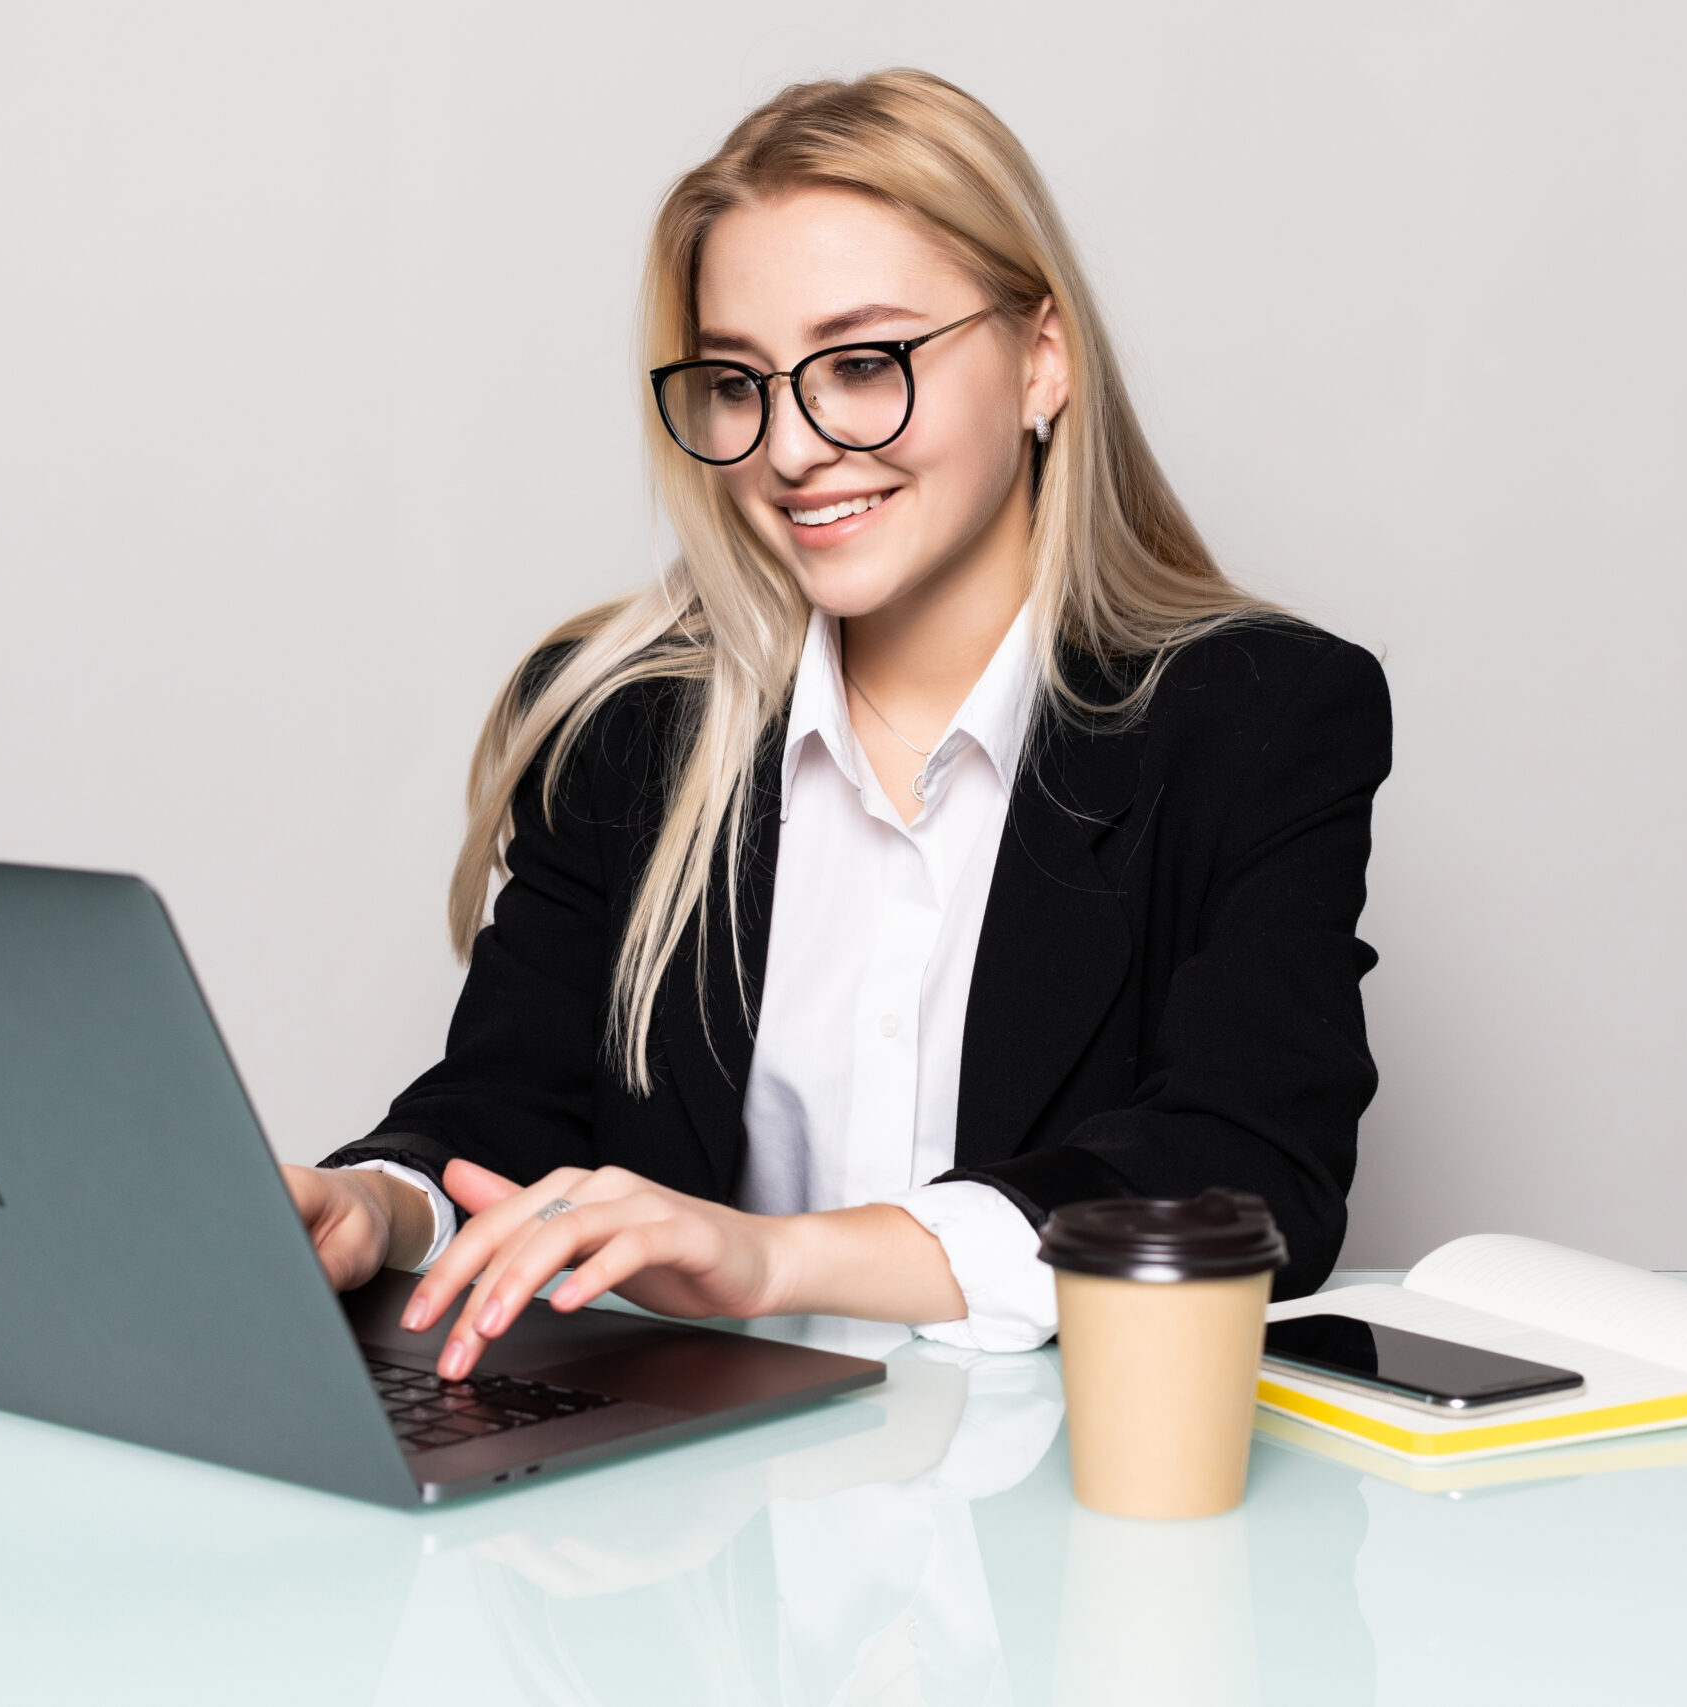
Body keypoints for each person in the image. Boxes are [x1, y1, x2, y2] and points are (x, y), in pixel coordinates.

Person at [284, 69, 1391, 1381]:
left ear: (1044, 360)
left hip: (1054, 1519)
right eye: (738, 385)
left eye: (862, 364)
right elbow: (506, 1113)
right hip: (700, 1523)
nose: (793, 446)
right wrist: (375, 1205)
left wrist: (780, 1258)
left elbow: (1248, 1169)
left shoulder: (1255, 720)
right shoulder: (627, 723)